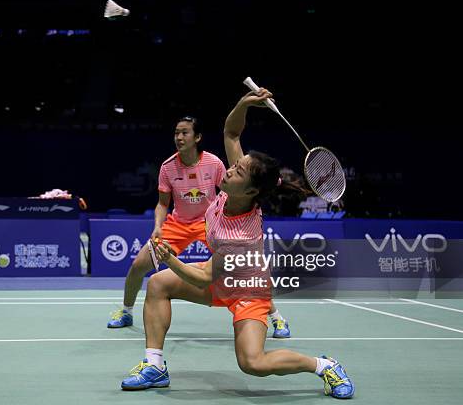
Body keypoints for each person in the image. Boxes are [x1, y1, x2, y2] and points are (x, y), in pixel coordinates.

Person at [119, 89, 354, 399]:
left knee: (253, 363)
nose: (229, 170)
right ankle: (155, 366)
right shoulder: (232, 191)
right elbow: (231, 132)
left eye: (238, 171)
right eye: (236, 165)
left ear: (252, 191)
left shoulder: (239, 235)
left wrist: (169, 257)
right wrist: (244, 103)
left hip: (248, 289)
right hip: (220, 274)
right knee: (159, 284)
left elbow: (204, 278)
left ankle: (324, 366)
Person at [107, 116, 292, 339]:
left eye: (185, 132)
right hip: (179, 224)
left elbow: (232, 193)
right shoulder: (167, 167)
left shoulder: (214, 163)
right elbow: (163, 203)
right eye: (176, 132)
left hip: (210, 223)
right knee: (139, 265)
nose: (179, 137)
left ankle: (276, 315)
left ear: (198, 137)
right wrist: (158, 226)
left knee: (242, 270)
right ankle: (126, 311)